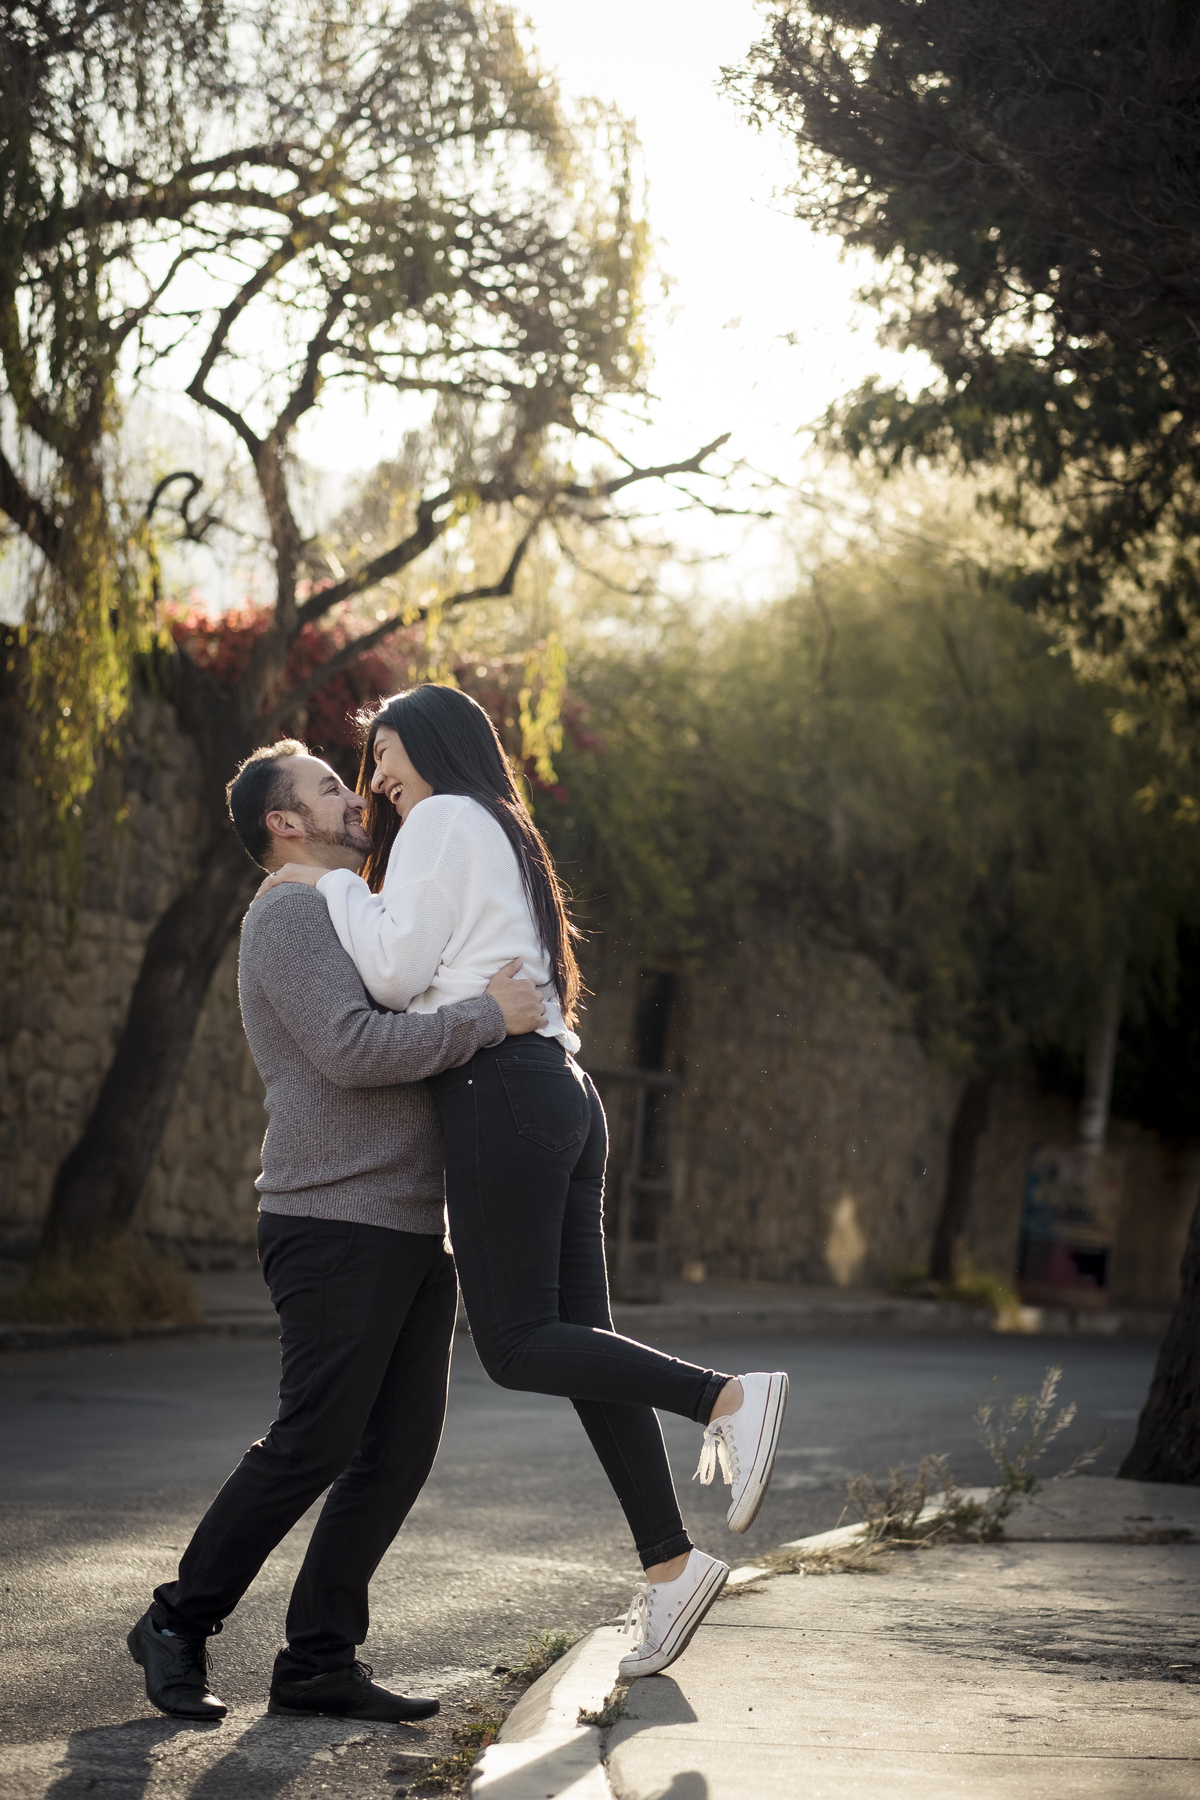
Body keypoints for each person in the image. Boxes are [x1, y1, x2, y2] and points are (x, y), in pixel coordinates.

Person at [261, 688, 789, 1679]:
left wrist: (327, 888)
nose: (377, 780)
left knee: (512, 1345)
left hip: (500, 1090)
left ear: (431, 743)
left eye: (385, 754)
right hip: (557, 1089)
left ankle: (726, 1397)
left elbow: (391, 976)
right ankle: (672, 1568)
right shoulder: (501, 826)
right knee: (585, 1349)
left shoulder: (440, 819)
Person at [128, 739, 546, 1722]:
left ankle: (319, 1660)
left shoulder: (354, 911)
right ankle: (176, 1623)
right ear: (284, 824)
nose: (355, 798)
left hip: (412, 1223)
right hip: (330, 1216)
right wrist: (490, 1017)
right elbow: (353, 1050)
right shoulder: (289, 913)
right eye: (328, 788)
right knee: (314, 1438)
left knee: (395, 1454)